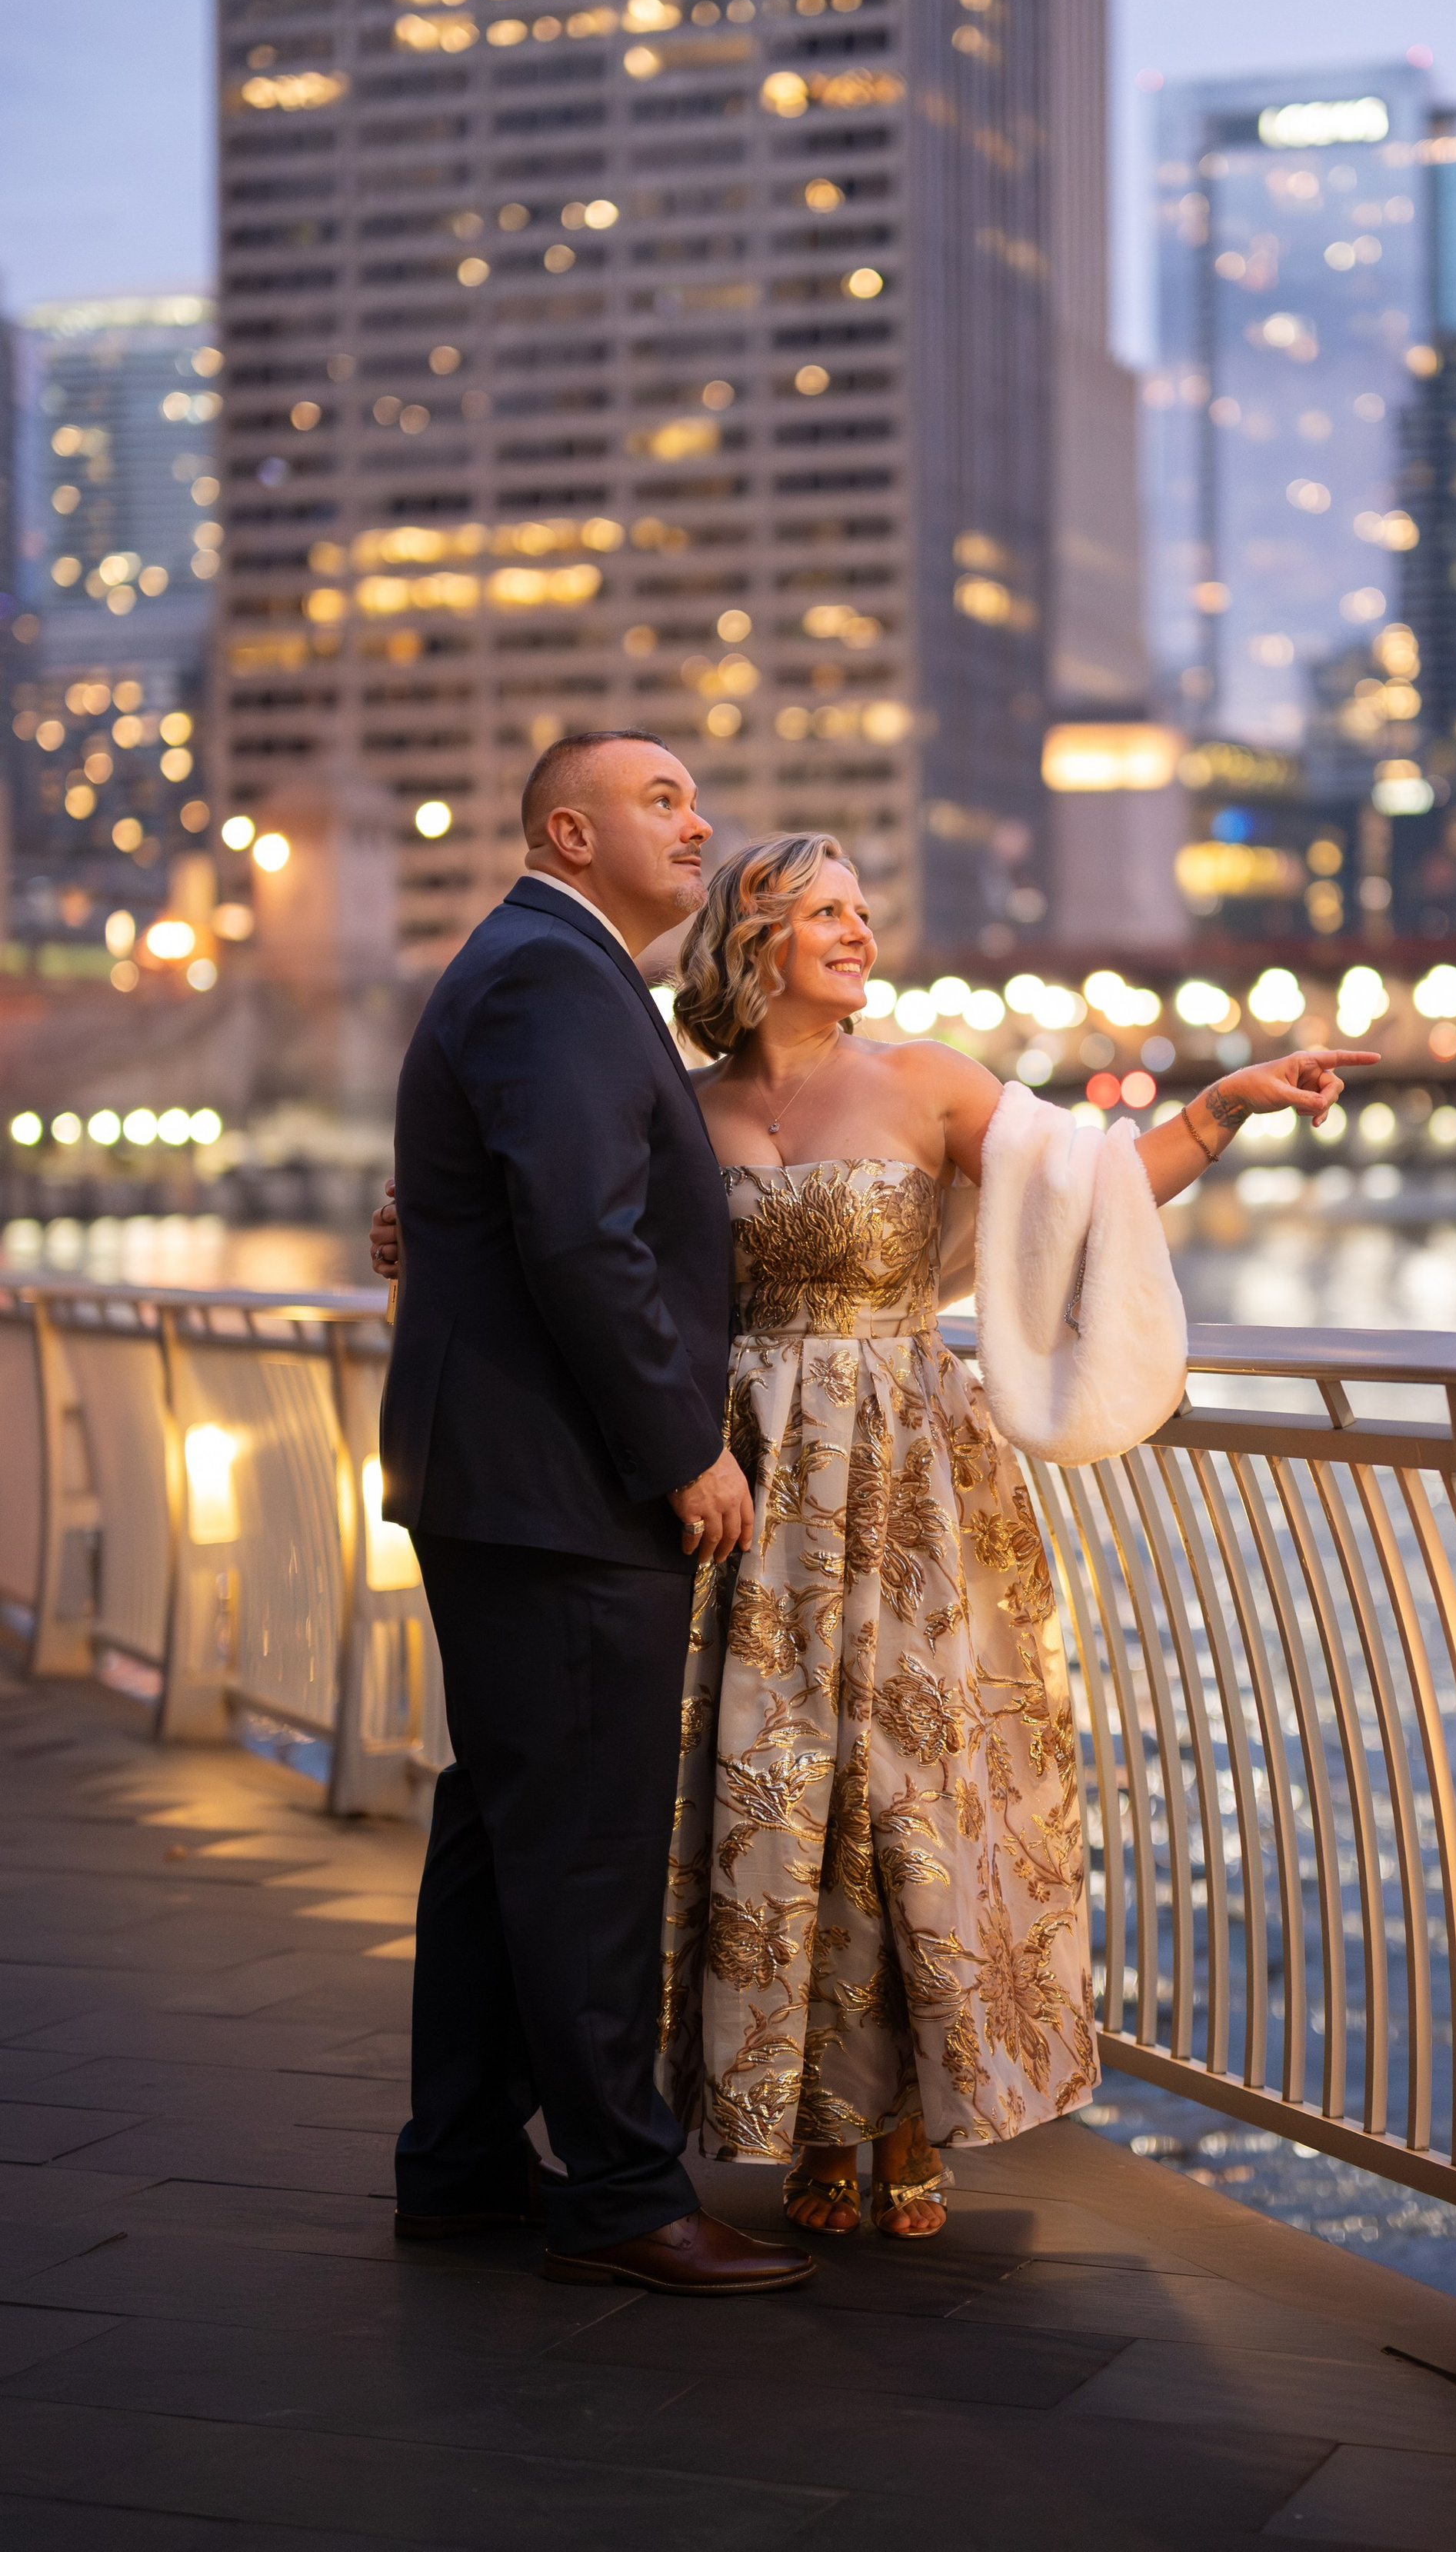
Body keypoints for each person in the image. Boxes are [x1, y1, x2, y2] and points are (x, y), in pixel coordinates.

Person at [374, 823, 1372, 2246]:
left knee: (912, 1781)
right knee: (756, 1790)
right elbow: (578, 1236)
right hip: (727, 1478)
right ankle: (790, 2115)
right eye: (824, 911)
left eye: (863, 908)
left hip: (907, 1481)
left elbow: (1086, 1197)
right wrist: (424, 1237)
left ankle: (907, 2111)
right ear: (751, 941)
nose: (858, 931)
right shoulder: (680, 1097)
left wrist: (1222, 1111)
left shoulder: (927, 1082)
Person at [378, 729, 812, 2297]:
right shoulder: (557, 978)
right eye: (660, 800)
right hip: (560, 1480)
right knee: (580, 1843)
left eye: (698, 794)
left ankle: (462, 2161)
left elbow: (508, 1209)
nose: (700, 822)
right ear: (569, 832)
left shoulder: (539, 969)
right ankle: (622, 2192)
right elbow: (580, 1235)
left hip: (504, 1472)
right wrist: (676, 1448)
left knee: (508, 1828)